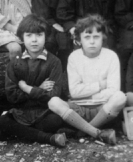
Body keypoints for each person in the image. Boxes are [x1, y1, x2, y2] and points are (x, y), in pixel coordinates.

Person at [0, 15, 68, 148]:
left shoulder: (54, 62)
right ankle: (48, 138)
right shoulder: (15, 63)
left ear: (46, 37)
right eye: (29, 35)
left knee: (55, 121)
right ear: (22, 38)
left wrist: (27, 89)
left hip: (43, 112)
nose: (34, 40)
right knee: (2, 121)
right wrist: (39, 88)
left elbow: (54, 94)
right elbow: (12, 96)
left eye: (39, 35)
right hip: (21, 112)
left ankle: (15, 134)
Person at [47, 15, 123, 145]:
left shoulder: (111, 56)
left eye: (96, 37)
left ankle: (81, 132)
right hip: (79, 108)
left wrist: (89, 93)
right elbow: (75, 92)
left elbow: (114, 90)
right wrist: (101, 85)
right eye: (87, 37)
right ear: (79, 39)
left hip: (103, 108)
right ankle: (96, 133)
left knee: (120, 97)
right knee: (53, 102)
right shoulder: (74, 57)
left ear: (103, 38)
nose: (92, 41)